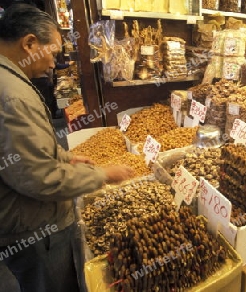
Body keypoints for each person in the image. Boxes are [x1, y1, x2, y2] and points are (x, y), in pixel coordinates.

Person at [0, 4, 135, 291]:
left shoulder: (10, 83)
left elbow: (26, 148)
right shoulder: (12, 96)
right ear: (29, 43)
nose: (53, 64)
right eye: (52, 53)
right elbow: (38, 177)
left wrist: (64, 156)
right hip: (32, 226)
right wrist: (103, 176)